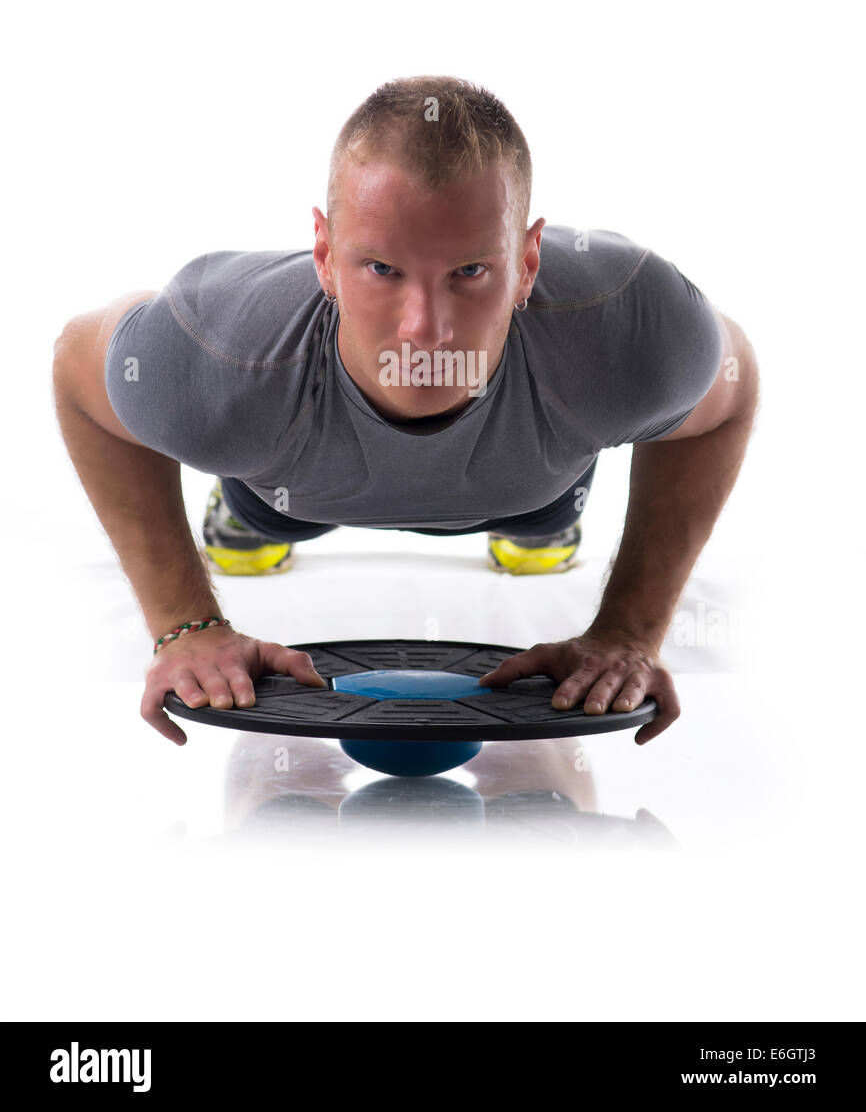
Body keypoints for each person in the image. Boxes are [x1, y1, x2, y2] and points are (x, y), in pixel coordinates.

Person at [52, 75, 759, 748]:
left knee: (540, 515)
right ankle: (245, 525)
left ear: (529, 261)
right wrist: (184, 622)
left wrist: (631, 629)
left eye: (471, 272)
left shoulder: (633, 330)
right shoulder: (217, 359)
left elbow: (731, 388)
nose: (426, 328)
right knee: (258, 506)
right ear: (323, 256)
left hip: (532, 485)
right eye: (382, 269)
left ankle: (541, 532)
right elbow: (78, 370)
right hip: (287, 485)